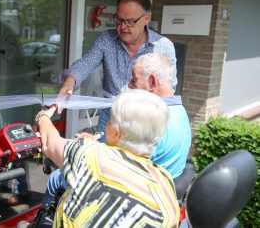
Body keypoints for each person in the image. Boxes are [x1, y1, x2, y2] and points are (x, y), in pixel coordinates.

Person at [34, 89, 179, 227]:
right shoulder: (165, 181)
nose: (106, 124)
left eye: (110, 120)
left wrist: (43, 117)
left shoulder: (91, 156)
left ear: (116, 133)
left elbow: (50, 142)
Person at [58, 0, 176, 141]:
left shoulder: (163, 47)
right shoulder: (107, 40)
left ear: (147, 18)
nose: (123, 26)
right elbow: (86, 63)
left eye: (130, 21)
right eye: (119, 20)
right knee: (103, 158)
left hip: (145, 121)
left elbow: (169, 93)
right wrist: (69, 82)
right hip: (111, 116)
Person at [128, 53, 193, 199]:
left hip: (143, 200)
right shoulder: (180, 112)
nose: (129, 85)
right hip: (166, 196)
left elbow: (121, 168)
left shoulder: (151, 121)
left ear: (152, 82)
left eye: (134, 78)